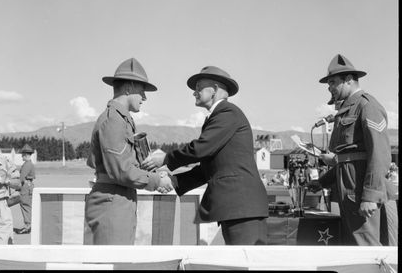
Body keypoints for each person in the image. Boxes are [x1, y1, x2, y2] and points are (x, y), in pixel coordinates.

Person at [141, 65, 269, 245]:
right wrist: (174, 181)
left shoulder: (227, 112)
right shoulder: (219, 116)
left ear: (215, 90)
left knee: (246, 262)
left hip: (242, 208)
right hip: (237, 208)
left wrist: (166, 159)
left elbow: (201, 148)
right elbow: (208, 168)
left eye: (199, 87)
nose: (194, 92)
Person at [309, 54, 398, 245]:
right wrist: (322, 182)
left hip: (362, 196)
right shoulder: (347, 110)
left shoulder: (367, 106)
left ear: (348, 80)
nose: (330, 88)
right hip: (350, 193)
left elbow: (379, 155)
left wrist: (370, 197)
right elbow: (347, 159)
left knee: (367, 251)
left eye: (333, 82)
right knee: (354, 250)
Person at [84, 57, 173, 245]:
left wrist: (159, 172)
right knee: (111, 263)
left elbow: (132, 162)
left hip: (119, 200)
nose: (145, 98)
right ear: (130, 87)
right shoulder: (114, 121)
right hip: (111, 204)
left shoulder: (123, 120)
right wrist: (157, 181)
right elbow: (121, 170)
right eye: (142, 91)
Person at [15, 144, 36, 234]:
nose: (21, 156)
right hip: (29, 186)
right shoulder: (29, 163)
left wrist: (15, 187)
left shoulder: (27, 164)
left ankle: (28, 226)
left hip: (26, 186)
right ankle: (29, 225)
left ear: (26, 155)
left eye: (22, 154)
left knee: (25, 206)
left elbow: (21, 178)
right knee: (28, 206)